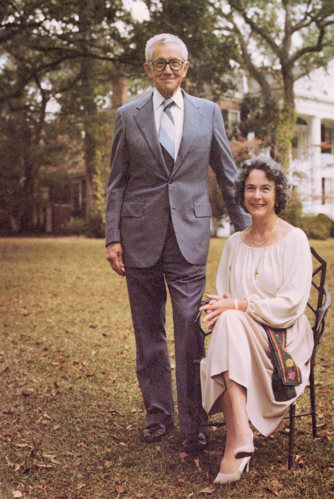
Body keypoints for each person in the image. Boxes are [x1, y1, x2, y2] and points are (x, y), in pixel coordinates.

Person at [105, 33, 250, 454]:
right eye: (160, 62)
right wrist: (113, 236)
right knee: (148, 332)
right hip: (139, 237)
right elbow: (117, 182)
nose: (168, 69)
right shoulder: (128, 115)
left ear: (186, 68)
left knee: (190, 332)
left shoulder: (208, 113)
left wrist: (246, 231)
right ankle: (157, 417)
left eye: (176, 63)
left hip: (189, 237)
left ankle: (194, 423)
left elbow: (227, 173)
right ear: (148, 69)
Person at [199, 155, 314, 483]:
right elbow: (224, 295)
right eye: (250, 188)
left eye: (265, 188)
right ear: (242, 193)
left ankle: (236, 440)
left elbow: (291, 305)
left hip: (285, 336)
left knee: (232, 320)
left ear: (278, 194)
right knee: (228, 321)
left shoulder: (295, 239)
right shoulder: (235, 243)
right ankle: (241, 436)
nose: (257, 196)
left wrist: (238, 305)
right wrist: (219, 309)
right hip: (241, 333)